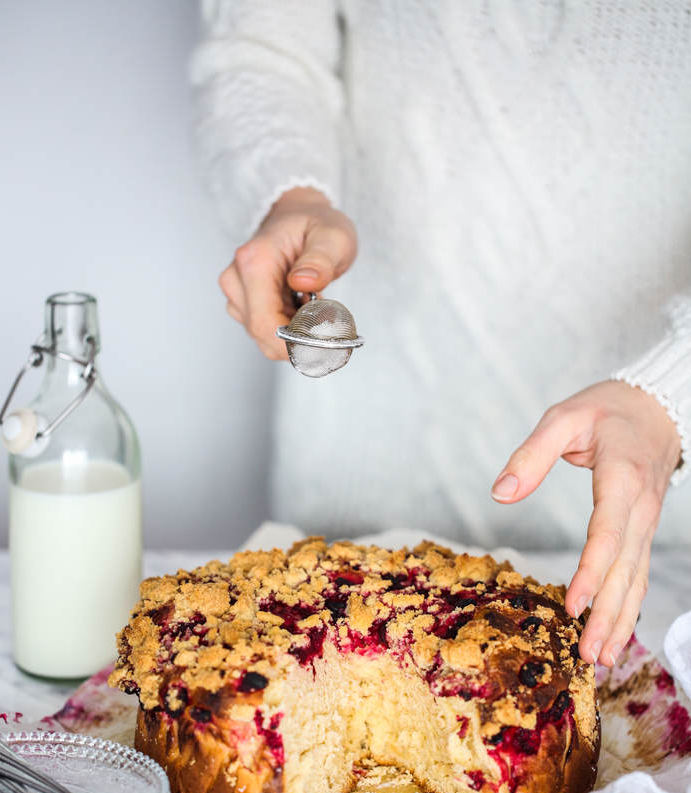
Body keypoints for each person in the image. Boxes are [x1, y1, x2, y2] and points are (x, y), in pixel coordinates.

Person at [191, 1, 691, 668]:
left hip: (648, 546)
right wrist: (292, 196)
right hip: (353, 492)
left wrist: (670, 394)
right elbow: (261, 47)